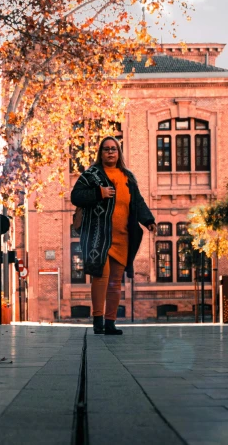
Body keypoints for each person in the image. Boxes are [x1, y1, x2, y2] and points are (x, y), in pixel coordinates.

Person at [70, 136, 156, 335]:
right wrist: (98, 193)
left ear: (119, 153)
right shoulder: (91, 175)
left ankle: (110, 323)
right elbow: (76, 196)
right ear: (100, 153)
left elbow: (138, 202)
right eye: (106, 149)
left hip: (122, 236)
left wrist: (149, 220)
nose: (110, 152)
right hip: (98, 236)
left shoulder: (128, 177)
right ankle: (98, 321)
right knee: (101, 276)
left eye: (114, 149)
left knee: (116, 281)